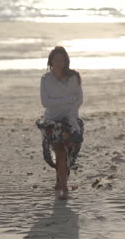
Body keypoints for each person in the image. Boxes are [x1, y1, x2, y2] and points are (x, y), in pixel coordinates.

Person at [36, 46, 84, 200]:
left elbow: (79, 100)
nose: (58, 62)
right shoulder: (45, 79)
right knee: (59, 152)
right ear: (50, 61)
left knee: (70, 153)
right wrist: (67, 100)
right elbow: (45, 103)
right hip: (52, 121)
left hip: (71, 119)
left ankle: (60, 180)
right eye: (55, 59)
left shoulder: (73, 77)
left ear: (66, 61)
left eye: (61, 60)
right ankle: (64, 186)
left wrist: (68, 109)